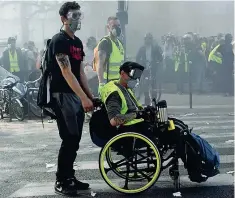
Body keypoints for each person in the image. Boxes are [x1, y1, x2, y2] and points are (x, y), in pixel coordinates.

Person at [47, 1, 94, 196]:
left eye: (79, 15)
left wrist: (90, 96)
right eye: (74, 16)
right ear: (63, 19)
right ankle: (61, 180)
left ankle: (70, 176)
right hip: (63, 96)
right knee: (69, 138)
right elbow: (66, 72)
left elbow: (80, 71)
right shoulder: (59, 40)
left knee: (74, 139)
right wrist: (83, 98)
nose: (78, 19)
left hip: (76, 96)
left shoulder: (77, 42)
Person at [100, 61, 151, 134]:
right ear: (122, 74)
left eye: (138, 76)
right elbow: (114, 120)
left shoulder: (126, 89)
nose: (136, 79)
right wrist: (136, 114)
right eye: (133, 75)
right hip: (128, 132)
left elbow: (134, 109)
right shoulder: (114, 93)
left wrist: (145, 111)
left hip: (136, 126)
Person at [97, 16, 124, 92]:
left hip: (118, 82)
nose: (117, 28)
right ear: (108, 27)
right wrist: (101, 83)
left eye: (118, 26)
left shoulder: (120, 43)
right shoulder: (105, 43)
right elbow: (100, 64)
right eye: (114, 26)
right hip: (108, 82)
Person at [136, 33, 163, 105]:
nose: (148, 40)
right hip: (145, 69)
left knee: (153, 84)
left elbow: (160, 58)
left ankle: (154, 101)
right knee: (145, 85)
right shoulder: (142, 48)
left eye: (149, 39)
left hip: (153, 68)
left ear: (151, 40)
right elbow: (137, 58)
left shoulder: (155, 48)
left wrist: (157, 62)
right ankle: (147, 100)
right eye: (146, 39)